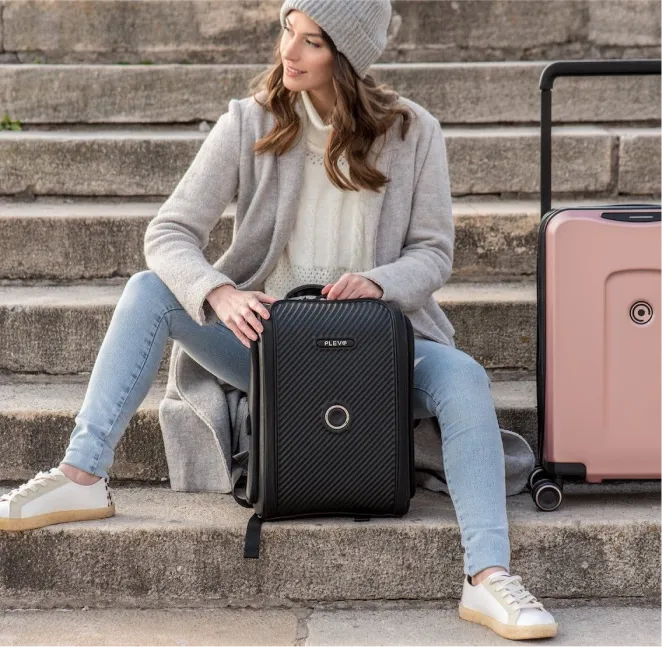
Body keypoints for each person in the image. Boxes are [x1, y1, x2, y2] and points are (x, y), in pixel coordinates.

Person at [0, 0, 557, 640]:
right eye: (288, 29)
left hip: (377, 352)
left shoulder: (412, 131)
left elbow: (433, 252)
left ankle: (487, 576)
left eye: (312, 41)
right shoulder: (250, 122)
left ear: (347, 56)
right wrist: (218, 292)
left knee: (463, 378)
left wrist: (379, 283)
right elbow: (168, 232)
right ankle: (82, 473)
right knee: (149, 291)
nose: (289, 51)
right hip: (272, 348)